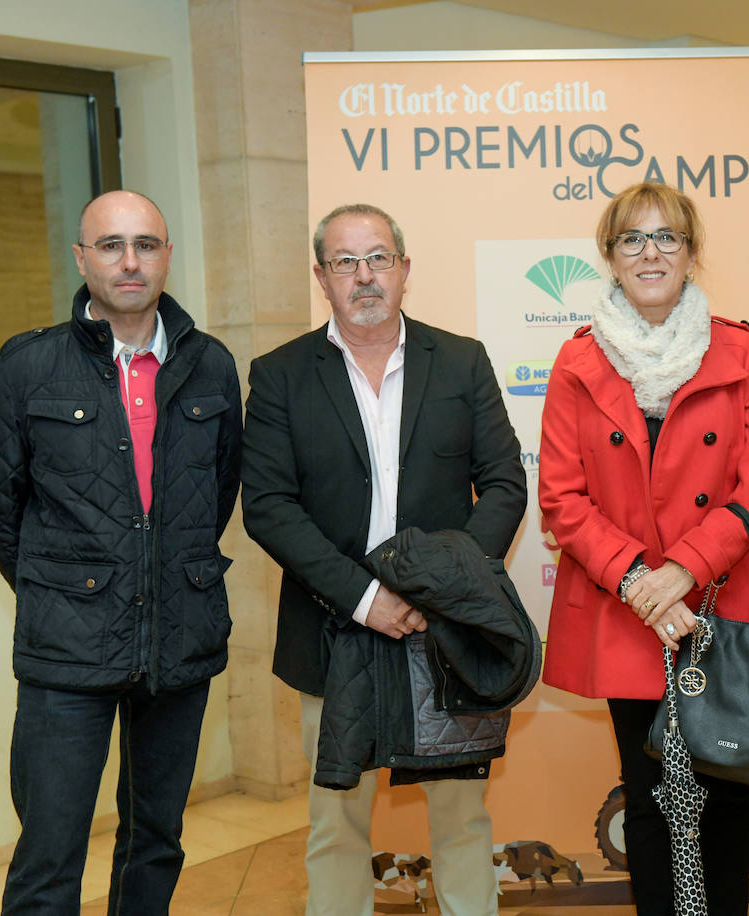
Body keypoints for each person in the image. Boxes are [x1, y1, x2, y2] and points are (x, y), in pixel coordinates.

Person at [241, 203, 527, 916]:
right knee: (336, 826)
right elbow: (269, 507)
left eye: (378, 259)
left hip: (446, 634)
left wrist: (443, 590)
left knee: (462, 817)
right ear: (322, 277)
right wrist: (368, 600)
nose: (364, 276)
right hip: (334, 629)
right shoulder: (280, 375)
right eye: (345, 262)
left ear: (404, 270)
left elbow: (504, 484)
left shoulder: (461, 360)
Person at [0, 190, 243, 914]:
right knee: (50, 855)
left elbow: (214, 498)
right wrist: (67, 587)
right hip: (68, 650)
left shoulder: (211, 365)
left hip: (179, 643)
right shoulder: (28, 366)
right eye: (112, 245)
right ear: (82, 257)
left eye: (146, 244)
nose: (130, 261)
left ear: (167, 257)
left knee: (156, 840)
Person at [538, 181, 749, 915]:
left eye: (667, 238)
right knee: (646, 800)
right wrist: (642, 584)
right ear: (610, 258)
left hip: (720, 603)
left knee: (725, 796)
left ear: (691, 252)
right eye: (631, 240)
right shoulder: (577, 361)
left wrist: (681, 572)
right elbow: (562, 494)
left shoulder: (742, 350)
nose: (650, 253)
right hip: (628, 611)